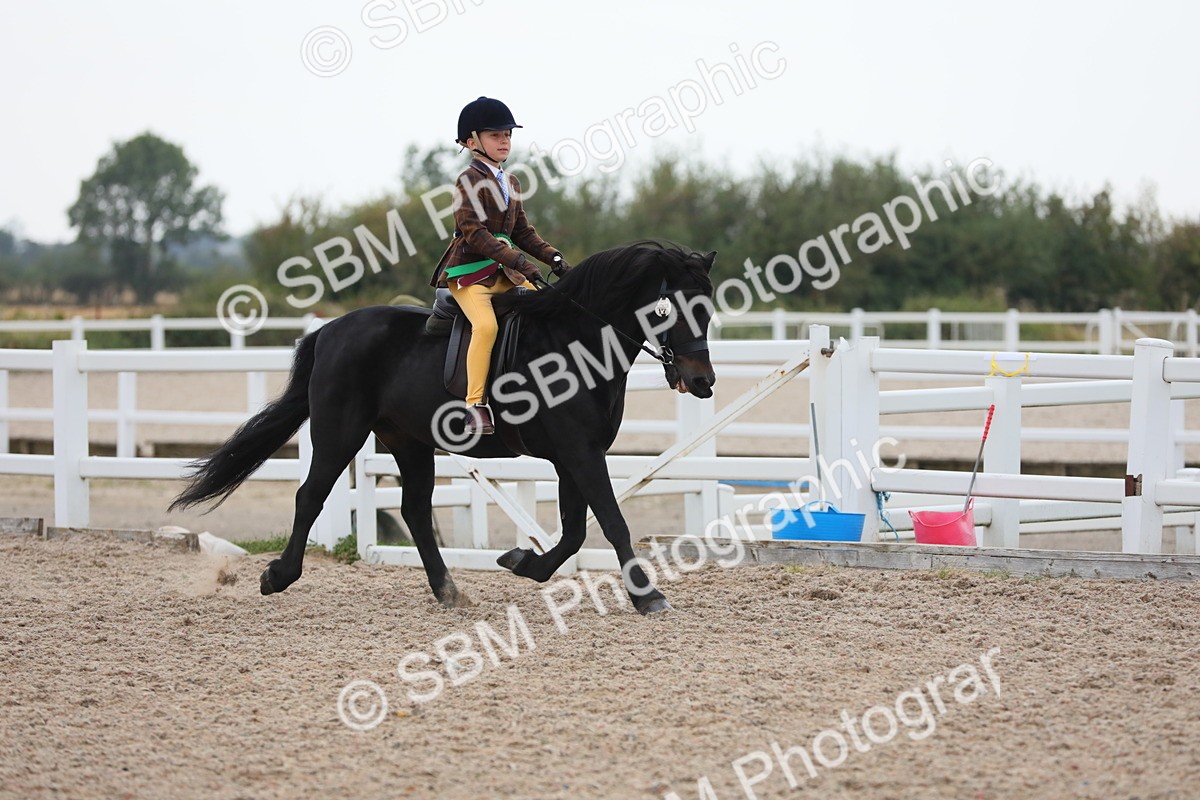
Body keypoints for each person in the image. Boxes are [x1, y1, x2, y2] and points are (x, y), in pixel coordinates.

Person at [429, 96, 569, 435]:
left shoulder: (512, 182)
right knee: (486, 326)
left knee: (549, 308)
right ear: (471, 142)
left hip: (504, 272)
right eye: (495, 135)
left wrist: (553, 257)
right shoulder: (468, 180)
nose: (504, 141)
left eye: (507, 135)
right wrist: (520, 261)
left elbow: (522, 232)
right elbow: (474, 233)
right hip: (469, 274)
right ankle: (475, 406)